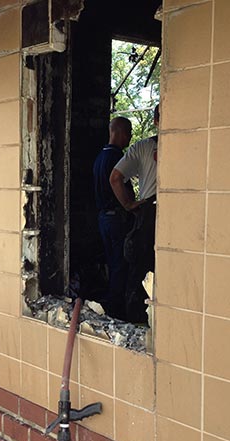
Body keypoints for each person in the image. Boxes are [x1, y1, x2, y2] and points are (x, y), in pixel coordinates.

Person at [110, 104, 159, 323]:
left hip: (150, 211)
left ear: (156, 121)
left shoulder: (143, 147)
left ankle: (137, 322)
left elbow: (115, 178)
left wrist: (129, 204)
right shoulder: (194, 143)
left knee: (140, 271)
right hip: (183, 211)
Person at [93, 117, 142, 319]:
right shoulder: (116, 158)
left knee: (113, 264)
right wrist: (130, 205)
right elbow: (116, 181)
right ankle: (117, 312)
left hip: (104, 218)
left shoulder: (99, 157)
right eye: (129, 133)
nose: (130, 137)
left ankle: (112, 308)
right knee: (121, 265)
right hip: (116, 219)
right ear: (120, 133)